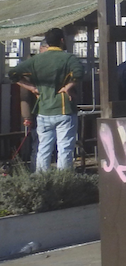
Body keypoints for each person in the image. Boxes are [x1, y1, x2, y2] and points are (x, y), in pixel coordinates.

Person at [8, 28, 85, 172]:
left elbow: (12, 73)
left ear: (47, 43)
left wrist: (31, 87)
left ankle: (42, 182)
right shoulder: (68, 58)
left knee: (43, 149)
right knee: (65, 150)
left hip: (43, 110)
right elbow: (79, 73)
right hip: (64, 110)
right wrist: (68, 86)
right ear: (62, 41)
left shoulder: (36, 60)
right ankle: (63, 184)